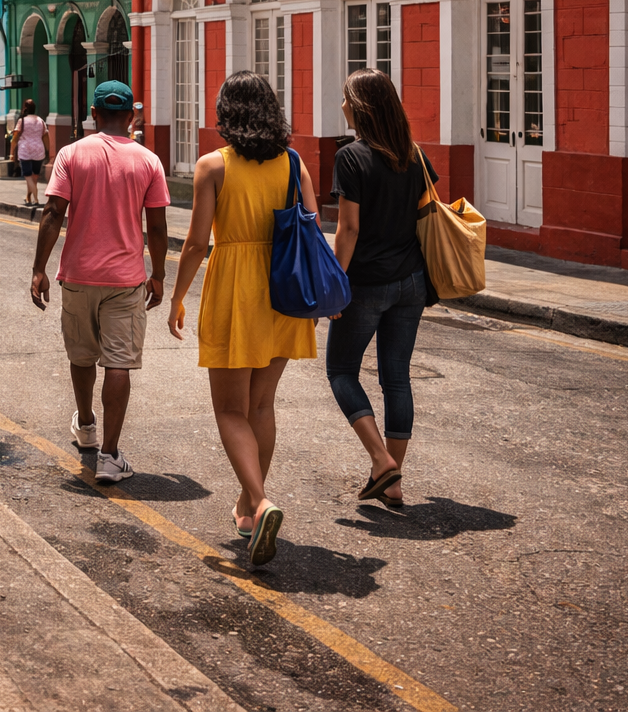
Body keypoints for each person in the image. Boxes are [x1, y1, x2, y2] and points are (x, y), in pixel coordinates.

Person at [167, 71, 317, 565]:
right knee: (261, 406)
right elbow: (314, 230)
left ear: (225, 113)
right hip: (285, 291)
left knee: (230, 410)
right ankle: (249, 506)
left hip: (236, 287)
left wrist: (177, 296)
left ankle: (262, 499)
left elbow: (195, 242)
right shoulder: (295, 164)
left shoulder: (214, 166)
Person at [30, 81, 169, 483]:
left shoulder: (71, 154)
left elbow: (53, 212)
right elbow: (157, 227)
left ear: (93, 113)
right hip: (125, 279)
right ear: (130, 117)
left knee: (81, 355)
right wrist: (158, 275)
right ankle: (110, 455)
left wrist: (39, 268)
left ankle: (87, 425)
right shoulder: (148, 161)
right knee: (119, 363)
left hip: (77, 274)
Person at [326, 68, 436, 510]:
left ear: (362, 107)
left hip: (367, 283)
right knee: (397, 377)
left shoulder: (351, 157)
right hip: (411, 281)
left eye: (347, 99)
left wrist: (335, 285)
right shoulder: (415, 154)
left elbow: (347, 229)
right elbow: (425, 215)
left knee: (341, 372)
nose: (343, 107)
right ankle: (389, 480)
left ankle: (381, 461)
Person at [11, 98, 47, 206]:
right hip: (39, 151)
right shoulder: (40, 120)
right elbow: (45, 136)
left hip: (25, 151)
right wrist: (50, 152)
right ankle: (28, 197)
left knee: (27, 176)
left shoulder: (22, 121)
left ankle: (35, 199)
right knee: (34, 177)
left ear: (25, 108)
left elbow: (15, 137)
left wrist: (12, 152)